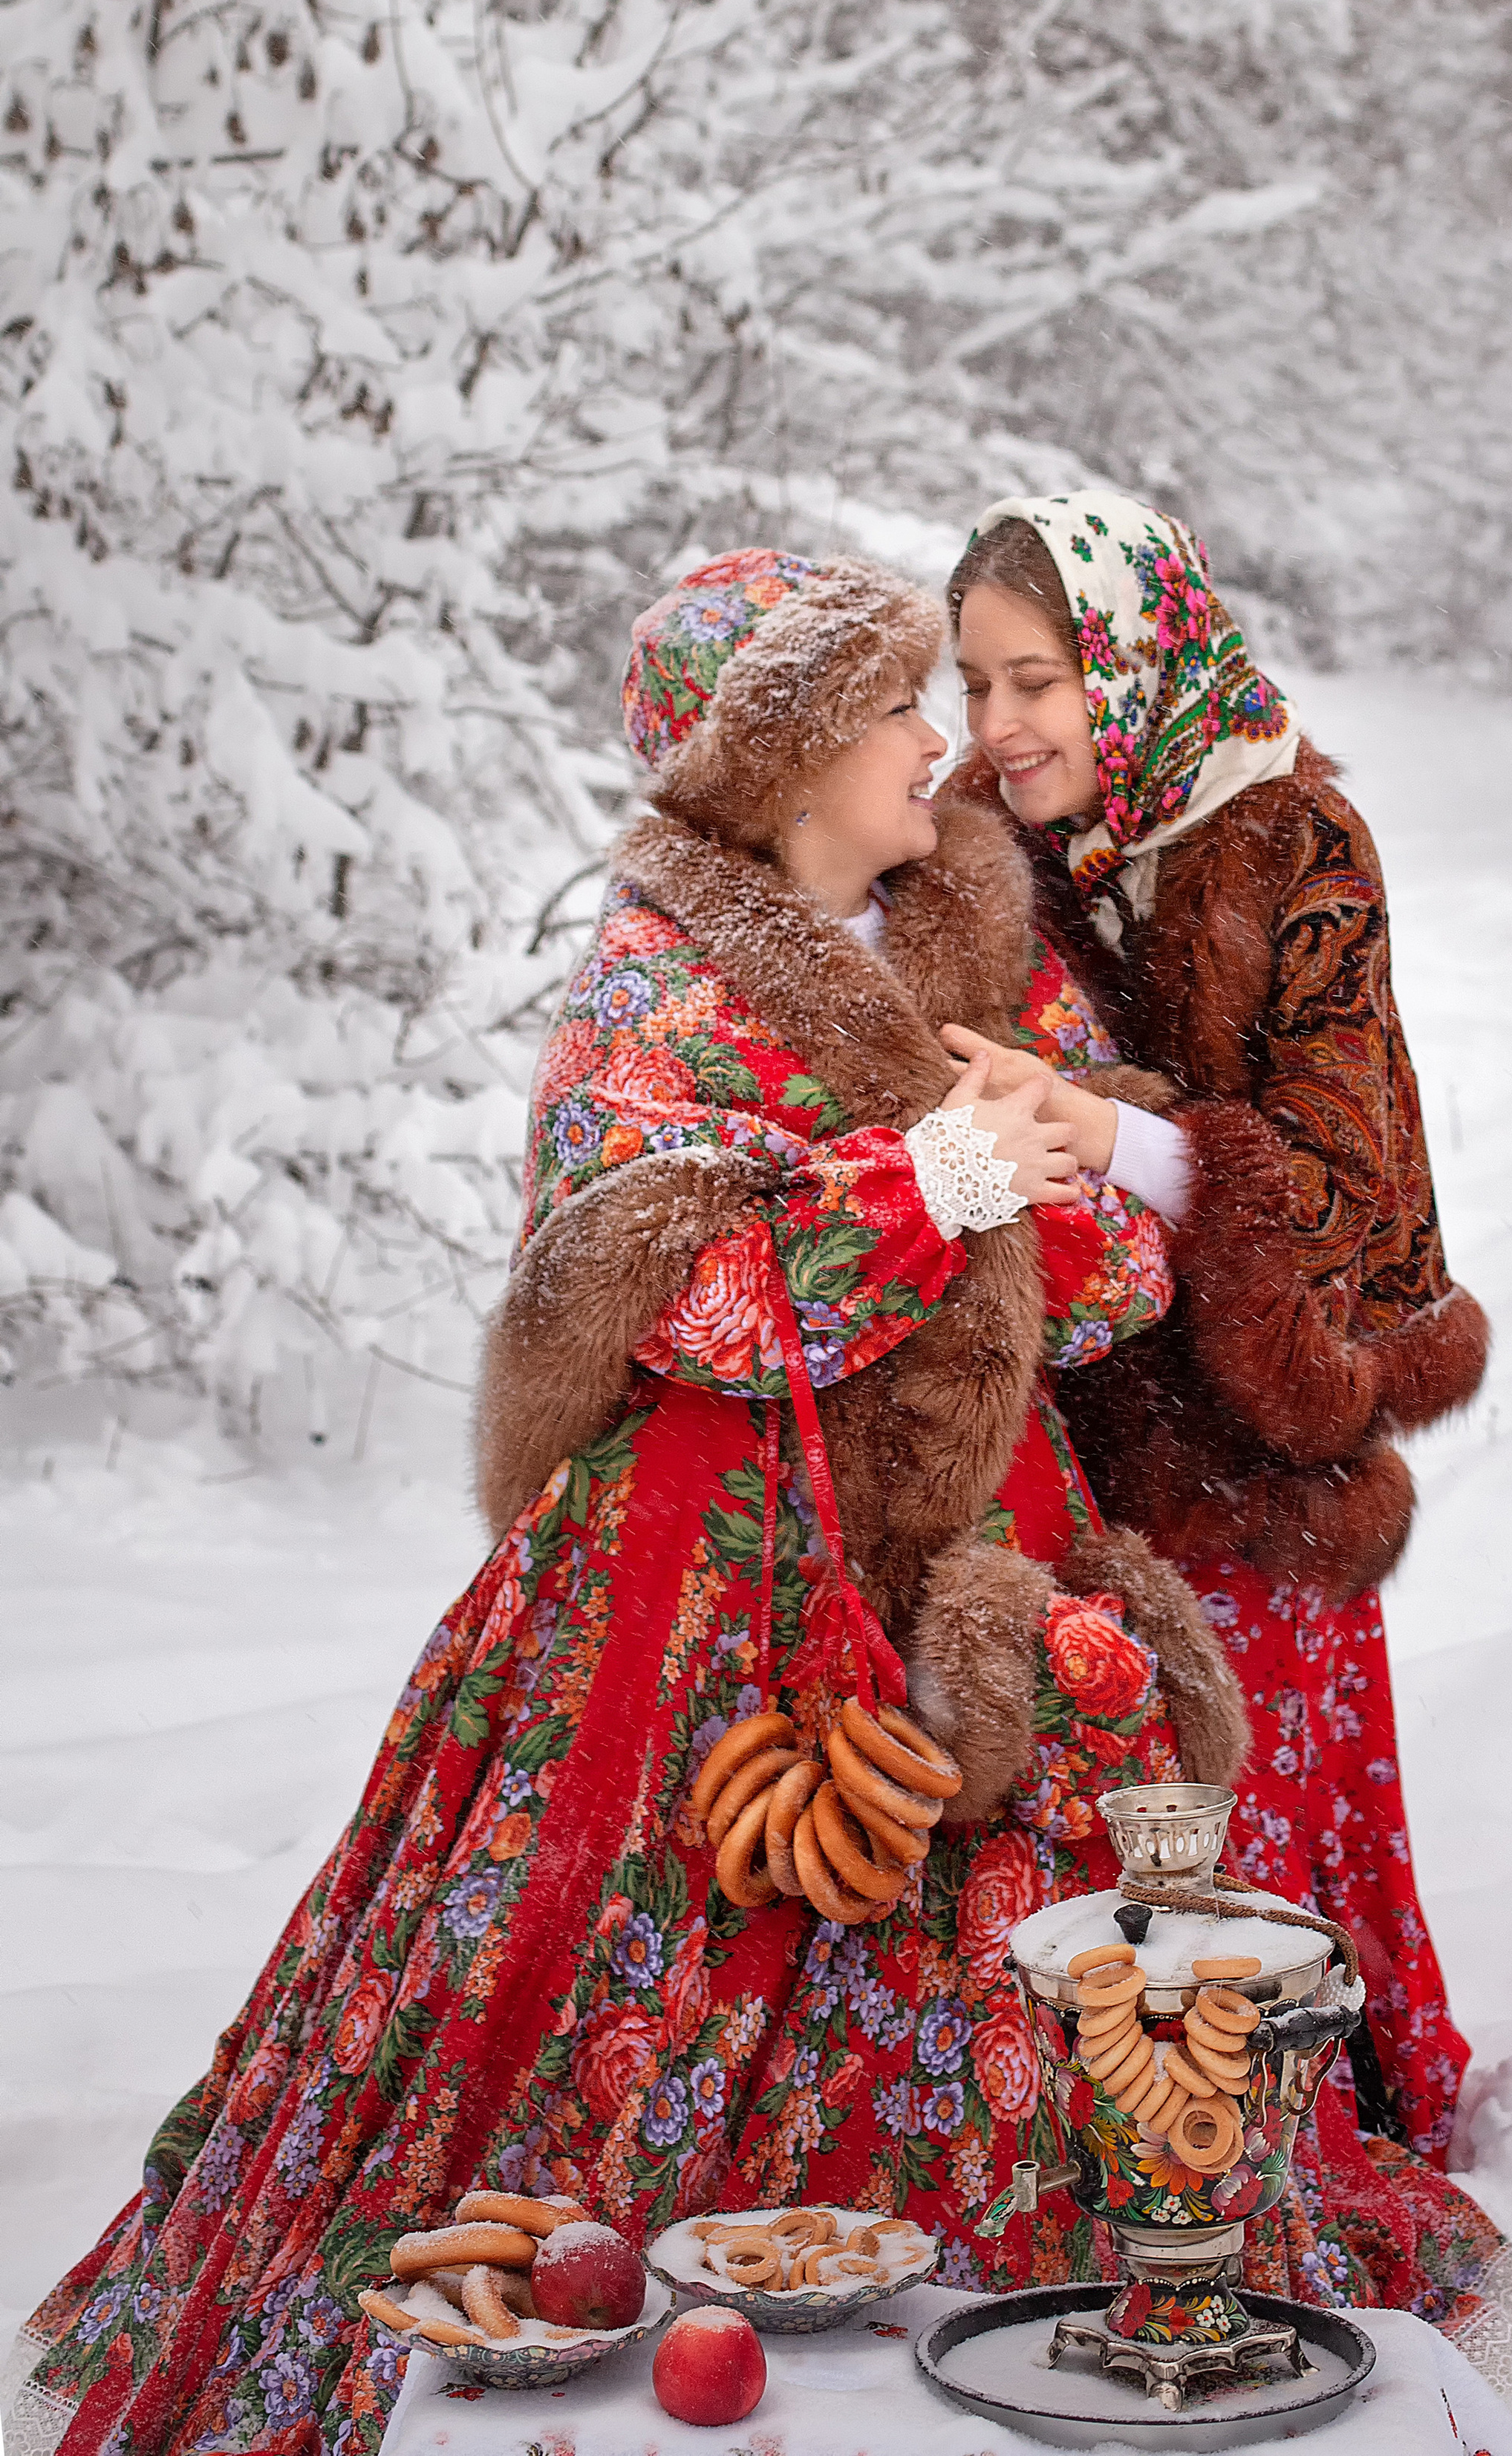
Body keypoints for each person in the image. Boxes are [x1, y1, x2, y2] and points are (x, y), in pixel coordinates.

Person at [11, 547, 1247, 2456]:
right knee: (641, 1931)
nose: (941, 743)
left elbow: (1116, 1280)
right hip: (693, 1569)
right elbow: (689, 1314)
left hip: (969, 1540)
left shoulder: (969, 949)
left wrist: (1039, 1183)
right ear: (786, 766)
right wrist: (936, 1189)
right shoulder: (643, 996)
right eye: (894, 713)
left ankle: (1002, 2336)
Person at [944, 492, 1512, 2351]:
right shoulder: (1002, 855)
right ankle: (1146, 2192)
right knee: (1112, 1921)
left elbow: (1353, 1201)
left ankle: (1296, 2166)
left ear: (1129, 659)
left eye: (1036, 677)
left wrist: (1103, 1132)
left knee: (1251, 1886)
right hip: (1078, 1473)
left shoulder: (1288, 841)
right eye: (971, 683)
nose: (1001, 723)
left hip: (1252, 1478)